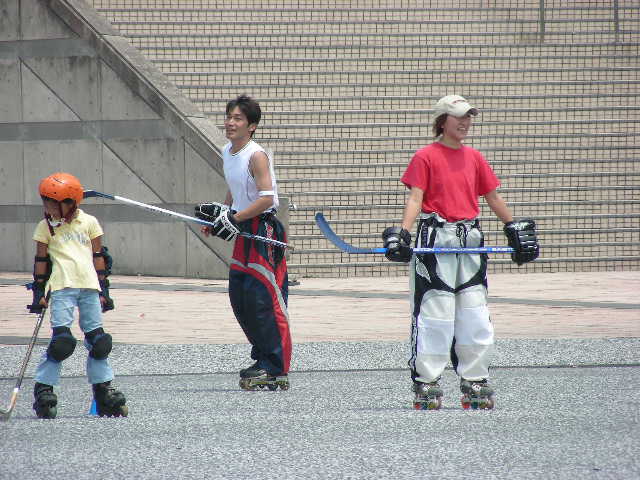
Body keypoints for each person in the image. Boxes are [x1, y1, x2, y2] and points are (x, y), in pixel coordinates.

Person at [382, 95, 539, 410]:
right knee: (434, 312)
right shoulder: (425, 156)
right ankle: (427, 381)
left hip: (471, 239)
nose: (465, 123)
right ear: (442, 121)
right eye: (458, 117)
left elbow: (492, 197)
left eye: (468, 117)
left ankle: (475, 378)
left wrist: (513, 227)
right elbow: (416, 198)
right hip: (435, 238)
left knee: (474, 311)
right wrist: (403, 232)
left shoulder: (475, 157)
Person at [195, 94, 292, 391]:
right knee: (240, 298)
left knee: (262, 300)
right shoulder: (227, 151)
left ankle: (275, 366)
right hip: (241, 227)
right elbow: (234, 188)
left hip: (261, 231)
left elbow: (266, 198)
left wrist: (235, 219)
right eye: (229, 117)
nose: (230, 123)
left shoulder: (256, 155)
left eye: (238, 118)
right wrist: (222, 216)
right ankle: (260, 356)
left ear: (251, 126)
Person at [28, 172, 127, 418]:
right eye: (46, 201)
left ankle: (103, 390)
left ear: (71, 203)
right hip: (61, 287)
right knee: (62, 343)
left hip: (89, 287)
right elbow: (41, 260)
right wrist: (39, 292)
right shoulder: (44, 227)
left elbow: (98, 257)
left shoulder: (89, 222)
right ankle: (44, 388)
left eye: (53, 202)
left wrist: (104, 290)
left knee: (100, 342)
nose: (48, 207)